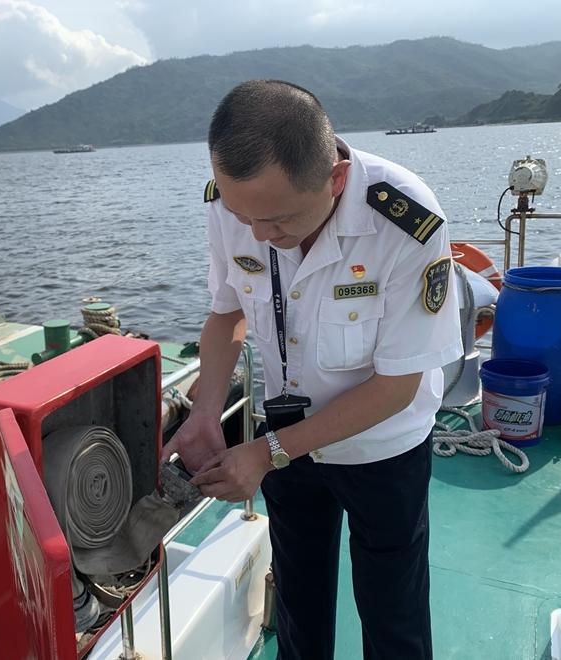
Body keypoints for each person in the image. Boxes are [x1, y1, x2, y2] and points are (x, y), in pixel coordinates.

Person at [161, 80, 462, 659]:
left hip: (381, 448)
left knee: (393, 611)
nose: (259, 235)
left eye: (278, 220)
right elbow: (227, 313)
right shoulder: (238, 204)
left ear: (336, 180)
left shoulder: (406, 220)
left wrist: (267, 453)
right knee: (298, 604)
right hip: (282, 437)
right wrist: (205, 412)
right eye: (243, 216)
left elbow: (396, 387)